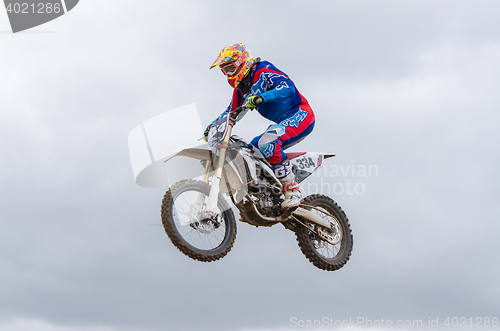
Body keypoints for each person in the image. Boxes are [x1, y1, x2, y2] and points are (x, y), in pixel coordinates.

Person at [205, 43, 315, 209]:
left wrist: (261, 97)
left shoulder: (262, 69)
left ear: (242, 62)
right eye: (225, 71)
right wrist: (213, 126)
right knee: (249, 151)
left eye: (231, 68)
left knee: (267, 143)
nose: (228, 74)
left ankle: (292, 189)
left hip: (300, 113)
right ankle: (269, 191)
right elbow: (231, 113)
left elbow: (288, 88)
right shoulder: (240, 90)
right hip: (281, 123)